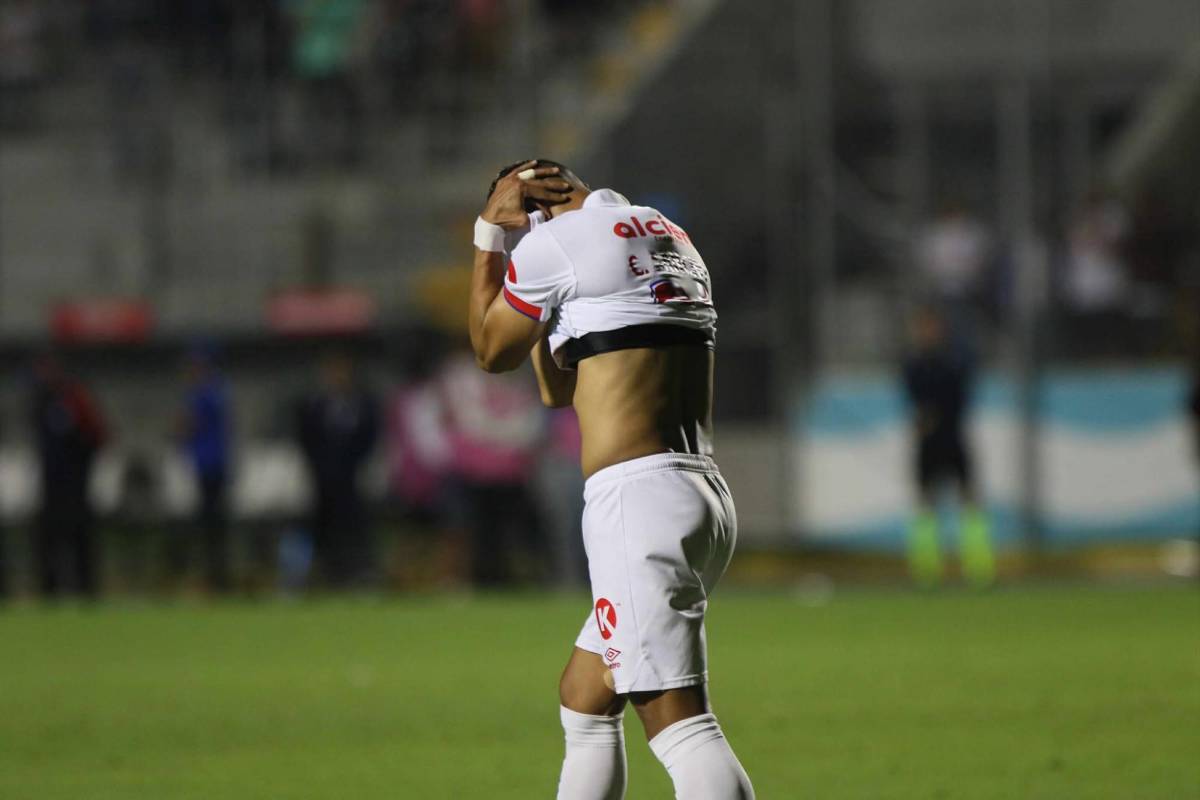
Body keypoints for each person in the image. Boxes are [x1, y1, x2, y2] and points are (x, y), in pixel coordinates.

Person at [469, 160, 754, 799]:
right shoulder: (668, 235)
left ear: (523, 204)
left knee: (681, 726)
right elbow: (556, 389)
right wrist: (539, 296)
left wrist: (490, 237)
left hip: (637, 499)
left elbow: (491, 352)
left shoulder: (552, 244)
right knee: (585, 697)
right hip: (700, 492)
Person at [901, 307, 995, 588]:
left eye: (932, 328)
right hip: (928, 443)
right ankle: (926, 571)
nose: (927, 334)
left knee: (969, 501)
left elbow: (959, 396)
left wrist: (935, 413)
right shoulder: (914, 365)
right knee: (925, 503)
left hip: (953, 438)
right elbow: (915, 399)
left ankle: (979, 569)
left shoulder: (954, 362)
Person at [296, 351, 379, 588]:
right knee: (322, 527)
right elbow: (306, 438)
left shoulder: (361, 404)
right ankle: (323, 574)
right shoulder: (314, 405)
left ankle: (355, 574)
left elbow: (369, 436)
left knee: (353, 526)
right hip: (322, 478)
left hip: (352, 476)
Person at [30, 354, 108, 598]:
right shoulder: (41, 399)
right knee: (50, 536)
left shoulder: (74, 397)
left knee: (78, 534)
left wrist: (81, 458)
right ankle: (51, 589)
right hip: (52, 480)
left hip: (74, 481)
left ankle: (85, 588)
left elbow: (97, 435)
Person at [174, 347, 233, 593]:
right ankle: (216, 576)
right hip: (215, 463)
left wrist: (179, 433)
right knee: (213, 523)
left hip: (209, 465)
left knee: (209, 524)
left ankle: (213, 579)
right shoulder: (218, 390)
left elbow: (186, 425)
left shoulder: (203, 393)